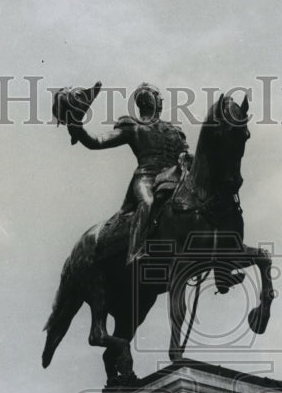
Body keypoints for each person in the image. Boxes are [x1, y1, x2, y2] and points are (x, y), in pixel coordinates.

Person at [67, 83, 190, 263]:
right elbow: (97, 141)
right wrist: (77, 127)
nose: (161, 100)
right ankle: (135, 252)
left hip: (174, 178)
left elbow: (186, 153)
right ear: (148, 99)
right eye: (157, 96)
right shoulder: (134, 125)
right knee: (147, 202)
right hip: (147, 177)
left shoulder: (173, 130)